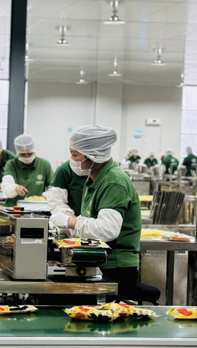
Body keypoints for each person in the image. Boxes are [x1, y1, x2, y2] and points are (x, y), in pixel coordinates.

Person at [50, 125, 141, 300]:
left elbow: (107, 230)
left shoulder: (113, 182)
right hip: (99, 261)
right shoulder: (94, 178)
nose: (72, 161)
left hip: (116, 268)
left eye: (75, 155)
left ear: (93, 155)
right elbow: (91, 220)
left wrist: (71, 222)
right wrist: (71, 229)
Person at [1, 134, 53, 207]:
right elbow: (6, 186)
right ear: (17, 153)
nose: (27, 157)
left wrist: (44, 197)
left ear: (34, 151)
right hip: (14, 207)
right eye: (22, 154)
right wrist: (16, 188)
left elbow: (53, 187)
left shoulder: (44, 165)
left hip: (37, 207)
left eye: (30, 154)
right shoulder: (11, 164)